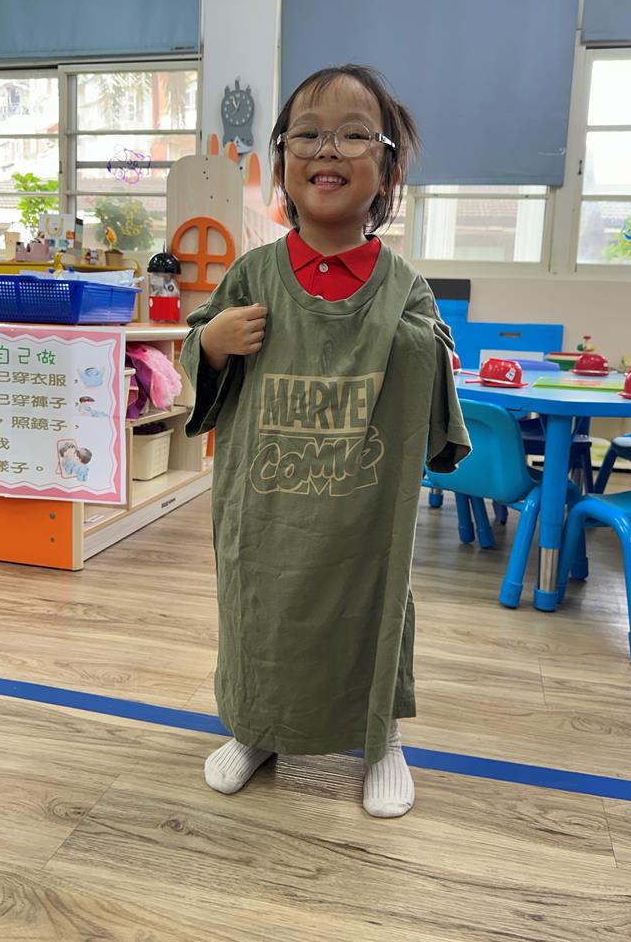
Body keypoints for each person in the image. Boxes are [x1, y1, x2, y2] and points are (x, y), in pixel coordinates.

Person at [180, 64, 469, 818]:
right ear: (281, 161)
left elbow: (436, 373)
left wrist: (426, 351)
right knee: (260, 612)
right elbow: (194, 359)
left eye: (352, 135)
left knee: (374, 612)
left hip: (365, 511)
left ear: (388, 168)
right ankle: (256, 726)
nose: (327, 150)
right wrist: (211, 341)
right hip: (264, 506)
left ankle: (381, 739)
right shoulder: (252, 274)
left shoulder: (403, 285)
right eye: (306, 135)